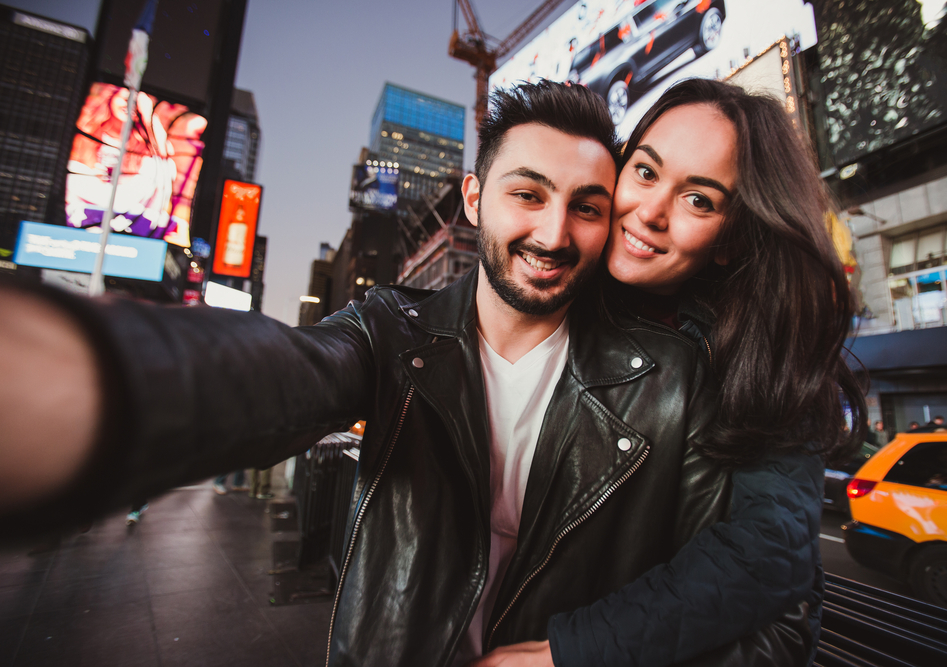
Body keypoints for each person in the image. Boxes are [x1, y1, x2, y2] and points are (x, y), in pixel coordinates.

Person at [0, 81, 811, 666]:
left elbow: (762, 569)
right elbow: (291, 367)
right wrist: (93, 379)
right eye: (527, 193)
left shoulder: (688, 366)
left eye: (585, 206)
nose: (555, 232)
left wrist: (571, 653)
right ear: (473, 197)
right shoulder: (393, 327)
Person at [585, 77, 867, 664]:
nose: (650, 212)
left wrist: (572, 649)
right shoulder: (558, 287)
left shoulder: (760, 353)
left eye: (699, 200)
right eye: (645, 171)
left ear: (729, 241)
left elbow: (770, 550)